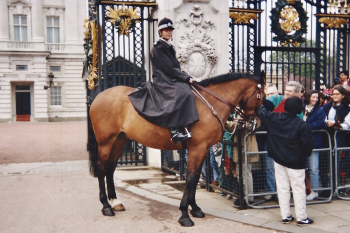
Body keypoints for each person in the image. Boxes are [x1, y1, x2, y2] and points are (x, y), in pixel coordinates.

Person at [128, 18, 198, 144]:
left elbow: (175, 68)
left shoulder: (169, 47)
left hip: (170, 78)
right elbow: (169, 68)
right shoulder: (158, 48)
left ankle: (184, 126)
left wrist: (187, 76)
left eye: (170, 30)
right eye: (166, 30)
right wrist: (185, 78)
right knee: (182, 93)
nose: (169, 32)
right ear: (160, 32)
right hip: (163, 80)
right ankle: (175, 131)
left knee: (187, 89)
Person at [258, 97, 314, 225]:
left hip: (278, 158)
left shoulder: (274, 118)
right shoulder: (302, 125)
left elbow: (261, 111)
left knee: (282, 188)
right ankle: (301, 217)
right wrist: (304, 156)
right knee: (298, 189)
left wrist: (260, 95)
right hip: (296, 161)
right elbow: (308, 145)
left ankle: (286, 215)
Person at [263, 81, 303, 201]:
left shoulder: (298, 105)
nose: (286, 92)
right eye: (286, 90)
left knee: (290, 174)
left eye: (290, 91)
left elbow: (298, 121)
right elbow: (263, 106)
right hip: (273, 141)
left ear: (296, 93)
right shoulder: (276, 98)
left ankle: (290, 195)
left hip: (289, 144)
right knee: (271, 167)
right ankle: (272, 191)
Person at [323, 85, 350, 190]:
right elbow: (323, 118)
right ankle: (331, 186)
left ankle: (340, 186)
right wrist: (328, 123)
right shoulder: (327, 106)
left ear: (343, 95)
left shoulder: (347, 108)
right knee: (329, 161)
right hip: (328, 136)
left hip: (341, 137)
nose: (334, 96)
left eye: (337, 94)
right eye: (333, 94)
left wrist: (339, 125)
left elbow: (347, 124)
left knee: (341, 162)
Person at [303, 90, 326, 201]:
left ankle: (314, 190)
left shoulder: (319, 110)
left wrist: (304, 125)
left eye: (317, 97)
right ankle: (304, 189)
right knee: (301, 168)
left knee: (313, 167)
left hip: (314, 142)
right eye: (313, 97)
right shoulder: (302, 108)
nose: (315, 99)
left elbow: (319, 124)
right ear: (308, 97)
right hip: (301, 141)